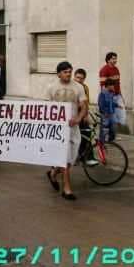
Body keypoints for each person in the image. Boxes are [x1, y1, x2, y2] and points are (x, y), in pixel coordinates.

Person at [45, 61, 87, 201]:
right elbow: (46, 108)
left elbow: (84, 106)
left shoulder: (78, 87)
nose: (68, 74)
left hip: (73, 127)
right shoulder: (51, 88)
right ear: (59, 74)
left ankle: (53, 173)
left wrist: (78, 118)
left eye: (70, 71)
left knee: (71, 159)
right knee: (64, 157)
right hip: (58, 129)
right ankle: (67, 189)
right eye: (65, 72)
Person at [74, 69, 98, 166]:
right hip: (72, 115)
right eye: (77, 77)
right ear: (74, 77)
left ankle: (88, 158)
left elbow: (86, 103)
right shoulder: (70, 87)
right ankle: (75, 157)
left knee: (87, 135)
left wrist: (86, 115)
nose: (79, 80)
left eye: (81, 78)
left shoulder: (85, 88)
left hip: (81, 114)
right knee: (74, 137)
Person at [99, 52, 124, 124]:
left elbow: (118, 84)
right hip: (109, 97)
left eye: (116, 58)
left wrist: (120, 96)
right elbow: (103, 86)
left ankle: (112, 131)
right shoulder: (104, 70)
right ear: (108, 60)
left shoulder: (116, 69)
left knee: (115, 118)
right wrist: (106, 100)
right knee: (107, 119)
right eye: (113, 59)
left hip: (117, 96)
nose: (115, 60)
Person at [99, 79, 118, 143]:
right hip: (105, 115)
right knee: (104, 129)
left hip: (112, 113)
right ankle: (102, 142)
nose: (113, 87)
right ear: (108, 86)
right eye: (112, 85)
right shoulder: (102, 94)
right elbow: (101, 104)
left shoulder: (112, 93)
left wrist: (117, 105)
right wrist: (105, 113)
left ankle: (111, 140)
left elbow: (112, 102)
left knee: (113, 129)